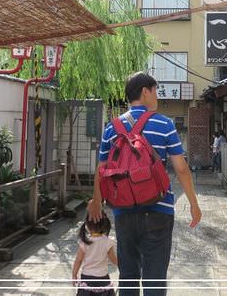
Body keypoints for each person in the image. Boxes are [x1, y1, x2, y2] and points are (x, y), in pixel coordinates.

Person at [88, 71, 202, 296]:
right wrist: (193, 203)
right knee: (155, 278)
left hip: (123, 211)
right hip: (159, 209)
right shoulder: (164, 124)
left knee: (128, 276)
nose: (157, 96)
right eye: (155, 91)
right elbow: (181, 168)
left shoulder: (112, 127)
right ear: (145, 92)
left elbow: (102, 169)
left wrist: (97, 201)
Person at [72, 210, 118, 296]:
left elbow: (78, 260)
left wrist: (74, 275)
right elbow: (113, 260)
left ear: (87, 226)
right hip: (103, 277)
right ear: (103, 225)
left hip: (87, 277)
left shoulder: (84, 242)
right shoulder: (107, 242)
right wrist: (122, 266)